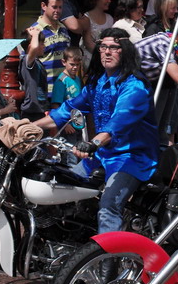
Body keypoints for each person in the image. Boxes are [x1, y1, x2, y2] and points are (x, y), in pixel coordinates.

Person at [36, 30, 158, 235]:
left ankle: (106, 263)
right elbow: (68, 109)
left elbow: (118, 122)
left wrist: (92, 143)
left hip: (131, 157)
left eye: (114, 47)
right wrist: (30, 127)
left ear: (125, 50)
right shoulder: (97, 83)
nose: (107, 52)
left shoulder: (135, 86)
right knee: (60, 189)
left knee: (109, 205)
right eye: (103, 47)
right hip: (101, 155)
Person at [32, 0, 71, 88]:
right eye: (54, 7)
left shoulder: (63, 28)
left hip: (63, 89)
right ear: (43, 6)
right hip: (45, 91)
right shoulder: (35, 31)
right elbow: (28, 62)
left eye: (60, 7)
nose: (57, 10)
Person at [83, 0, 113, 66]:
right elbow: (88, 43)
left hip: (107, 60)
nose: (109, 1)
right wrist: (100, 55)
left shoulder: (110, 18)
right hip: (91, 60)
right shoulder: (86, 17)